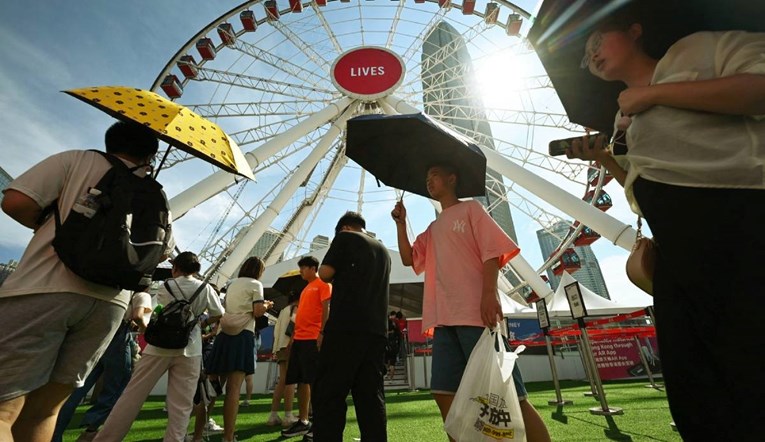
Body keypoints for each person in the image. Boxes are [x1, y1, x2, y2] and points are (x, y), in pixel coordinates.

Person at [569, 9, 765, 441]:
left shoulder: (704, 48)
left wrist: (655, 95)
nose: (592, 54)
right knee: (699, 387)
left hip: (738, 224)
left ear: (635, 28)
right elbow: (642, 190)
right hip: (677, 255)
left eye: (598, 39)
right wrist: (605, 158)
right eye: (586, 54)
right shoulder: (623, 123)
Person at [0, 120, 169, 442]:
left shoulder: (77, 160)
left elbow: (16, 201)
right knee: (45, 410)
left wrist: (48, 226)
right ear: (151, 155)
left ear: (110, 141)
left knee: (4, 409)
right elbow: (159, 253)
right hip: (109, 305)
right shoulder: (156, 194)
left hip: (46, 286)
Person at [392, 163, 551, 442]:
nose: (429, 181)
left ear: (452, 178)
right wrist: (401, 223)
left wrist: (489, 294)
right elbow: (409, 258)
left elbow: (492, 253)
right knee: (443, 393)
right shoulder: (432, 228)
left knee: (510, 393)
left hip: (474, 314)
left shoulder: (471, 210)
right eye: (427, 177)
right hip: (443, 319)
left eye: (435, 176)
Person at [93, 251, 223, 442]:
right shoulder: (205, 288)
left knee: (132, 395)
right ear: (196, 270)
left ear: (175, 268)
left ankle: (107, 438)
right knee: (181, 405)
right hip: (190, 347)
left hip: (159, 346)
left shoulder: (167, 286)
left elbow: (155, 311)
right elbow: (218, 313)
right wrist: (197, 322)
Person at [314, 211, 392, 442]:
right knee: (371, 396)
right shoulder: (383, 251)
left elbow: (324, 273)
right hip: (377, 331)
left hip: (346, 327)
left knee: (329, 394)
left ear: (344, 228)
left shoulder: (345, 238)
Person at [52, 289, 153, 442]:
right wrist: (145, 329)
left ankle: (55, 432)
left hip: (101, 335)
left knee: (78, 387)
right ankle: (91, 429)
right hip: (120, 340)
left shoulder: (120, 290)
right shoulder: (143, 295)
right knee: (116, 388)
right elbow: (138, 316)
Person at [206, 256, 273, 442]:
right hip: (243, 335)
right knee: (234, 389)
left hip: (223, 334)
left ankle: (200, 428)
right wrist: (266, 305)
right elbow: (258, 311)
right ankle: (228, 436)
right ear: (259, 271)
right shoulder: (255, 284)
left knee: (214, 385)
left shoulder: (232, 283)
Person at [280, 256, 331, 440]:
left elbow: (327, 308)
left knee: (314, 382)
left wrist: (322, 333)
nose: (300, 271)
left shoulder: (323, 284)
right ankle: (303, 421)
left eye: (303, 268)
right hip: (299, 340)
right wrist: (293, 338)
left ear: (313, 268)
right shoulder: (305, 289)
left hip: (312, 339)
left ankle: (319, 424)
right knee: (300, 380)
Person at [267, 292, 299, 427]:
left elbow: (276, 332)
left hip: (279, 347)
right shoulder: (296, 308)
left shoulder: (283, 310)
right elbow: (295, 327)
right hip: (289, 346)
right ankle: (288, 415)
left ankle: (273, 415)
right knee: (291, 380)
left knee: (282, 381)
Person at [385, 311, 401, 379]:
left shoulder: (386, 332)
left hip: (386, 346)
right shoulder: (396, 329)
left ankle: (385, 374)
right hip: (394, 347)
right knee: (392, 363)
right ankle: (391, 379)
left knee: (386, 361)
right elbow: (399, 336)